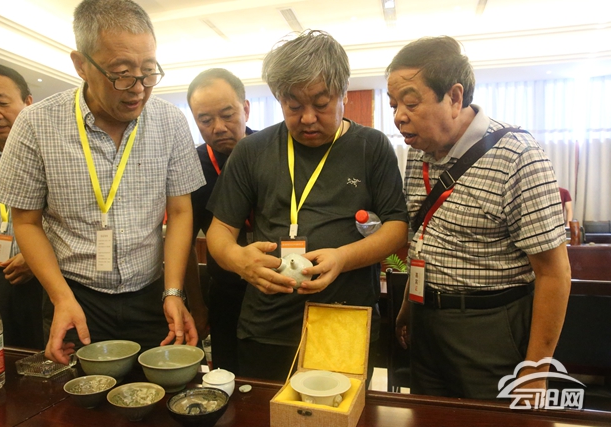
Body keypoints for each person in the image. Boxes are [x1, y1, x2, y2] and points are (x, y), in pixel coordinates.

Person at [0, 0, 205, 364]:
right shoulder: (36, 124)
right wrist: (60, 297)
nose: (138, 88)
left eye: (149, 71)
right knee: (77, 392)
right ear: (81, 65)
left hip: (151, 293)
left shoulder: (170, 122)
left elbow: (181, 211)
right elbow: (26, 222)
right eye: (121, 73)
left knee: (160, 390)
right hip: (74, 294)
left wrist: (173, 291)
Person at [206, 30, 409, 381]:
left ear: (343, 93)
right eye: (294, 106)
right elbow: (220, 230)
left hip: (344, 321)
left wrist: (342, 258)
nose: (308, 118)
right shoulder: (252, 150)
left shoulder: (371, 147)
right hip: (267, 326)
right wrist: (239, 260)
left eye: (321, 103)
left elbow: (396, 228)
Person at [387, 36, 571, 399]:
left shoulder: (518, 156)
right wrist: (409, 305)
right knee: (427, 417)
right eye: (394, 105)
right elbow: (425, 239)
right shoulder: (419, 153)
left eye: (411, 103)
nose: (398, 117)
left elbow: (554, 273)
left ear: (455, 97)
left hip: (488, 330)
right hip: (426, 323)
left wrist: (536, 371)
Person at [183, 68, 254, 374]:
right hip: (226, 293)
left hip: (279, 291)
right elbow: (183, 244)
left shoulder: (273, 150)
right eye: (205, 120)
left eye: (228, 115)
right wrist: (197, 307)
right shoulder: (190, 166)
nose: (219, 128)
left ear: (246, 109)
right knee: (229, 378)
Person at [0, 62, 44, 349]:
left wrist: (35, 256)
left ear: (28, 103)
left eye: (2, 102)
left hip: (43, 274)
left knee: (44, 356)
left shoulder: (53, 154)